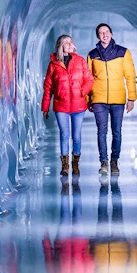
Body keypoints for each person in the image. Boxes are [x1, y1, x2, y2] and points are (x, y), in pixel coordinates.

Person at [87, 23, 137, 175]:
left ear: (111, 33)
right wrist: (88, 98)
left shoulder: (123, 52)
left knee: (117, 132)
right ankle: (103, 162)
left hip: (118, 99)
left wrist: (132, 98)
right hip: (99, 99)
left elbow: (130, 76)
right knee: (101, 131)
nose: (104, 35)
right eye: (101, 33)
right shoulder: (92, 55)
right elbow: (88, 78)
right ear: (98, 36)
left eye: (107, 31)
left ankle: (114, 160)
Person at [42, 35, 94, 176]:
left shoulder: (80, 61)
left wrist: (82, 91)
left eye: (71, 42)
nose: (71, 44)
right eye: (67, 43)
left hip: (78, 105)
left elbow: (89, 79)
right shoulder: (53, 65)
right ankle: (65, 166)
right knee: (64, 135)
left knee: (76, 135)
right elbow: (48, 87)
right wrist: (45, 107)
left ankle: (75, 164)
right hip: (61, 106)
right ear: (61, 46)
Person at [91, 177, 137, 273]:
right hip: (120, 248)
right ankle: (115, 186)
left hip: (100, 245)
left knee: (101, 212)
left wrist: (90, 247)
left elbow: (89, 269)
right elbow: (133, 271)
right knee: (118, 212)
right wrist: (134, 249)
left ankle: (105, 185)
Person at [42, 176, 94, 273]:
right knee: (77, 215)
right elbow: (90, 266)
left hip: (62, 243)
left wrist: (46, 242)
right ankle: (76, 188)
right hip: (80, 243)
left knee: (65, 215)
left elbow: (49, 262)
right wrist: (89, 250)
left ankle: (65, 190)